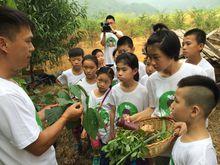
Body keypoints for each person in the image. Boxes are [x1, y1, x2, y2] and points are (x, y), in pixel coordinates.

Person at [0, 6, 83, 164]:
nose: (32, 48)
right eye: (28, 41)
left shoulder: (8, 82)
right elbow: (37, 146)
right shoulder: (5, 95)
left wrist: (41, 114)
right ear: (3, 44)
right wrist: (66, 117)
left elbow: (16, 127)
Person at [125, 29, 206, 165]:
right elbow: (152, 109)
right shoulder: (152, 80)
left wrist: (190, 125)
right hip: (162, 144)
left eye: (156, 57)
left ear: (171, 53)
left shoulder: (195, 74)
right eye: (149, 57)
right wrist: (131, 119)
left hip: (187, 142)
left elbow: (206, 108)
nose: (152, 62)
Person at [170, 75, 219, 165]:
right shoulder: (185, 133)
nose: (171, 106)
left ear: (194, 111)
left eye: (176, 101)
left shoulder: (201, 158)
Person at [109, 52, 149, 139]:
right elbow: (112, 111)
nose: (119, 73)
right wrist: (111, 131)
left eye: (124, 70)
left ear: (134, 71)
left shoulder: (143, 91)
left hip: (137, 135)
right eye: (118, 69)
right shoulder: (114, 90)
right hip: (119, 135)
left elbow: (146, 113)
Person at [88, 66, 114, 165]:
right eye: (99, 80)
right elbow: (91, 112)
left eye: (106, 82)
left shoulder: (112, 94)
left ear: (111, 82)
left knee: (108, 154)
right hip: (98, 131)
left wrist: (112, 131)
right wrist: (93, 131)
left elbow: (113, 112)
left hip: (109, 131)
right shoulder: (92, 94)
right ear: (96, 78)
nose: (102, 84)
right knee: (101, 151)